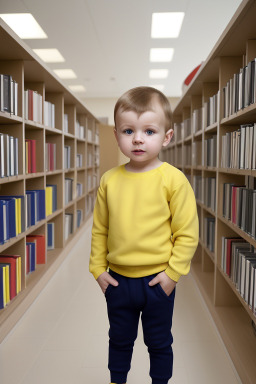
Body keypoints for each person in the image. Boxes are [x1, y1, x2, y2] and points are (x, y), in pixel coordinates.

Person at [89, 86, 199, 384]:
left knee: (159, 342)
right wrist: (98, 270)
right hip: (118, 281)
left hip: (157, 281)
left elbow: (187, 233)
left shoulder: (174, 180)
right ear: (117, 135)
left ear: (166, 137)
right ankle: (117, 380)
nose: (137, 138)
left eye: (149, 131)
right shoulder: (109, 181)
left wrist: (172, 275)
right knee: (119, 340)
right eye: (128, 130)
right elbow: (100, 230)